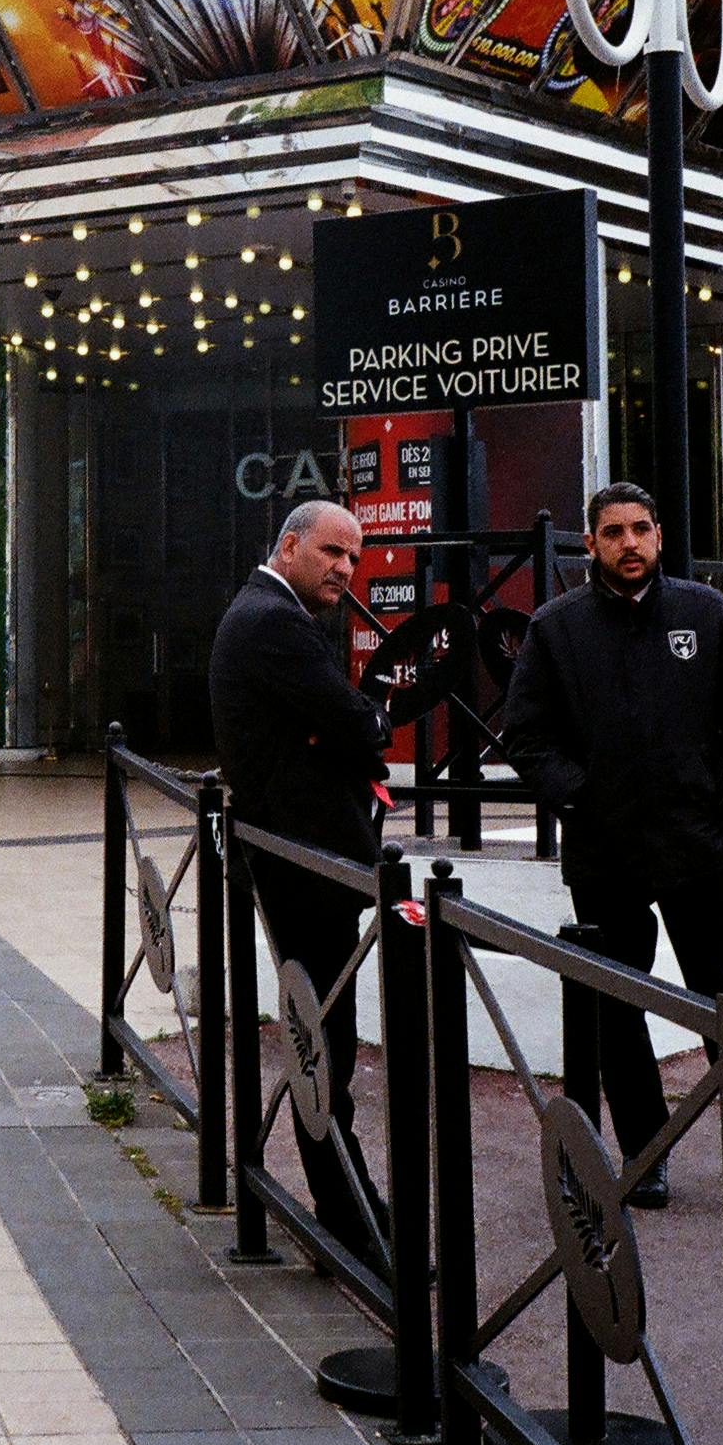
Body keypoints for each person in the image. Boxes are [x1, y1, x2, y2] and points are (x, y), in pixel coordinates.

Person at [500, 479, 723, 1228]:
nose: (629, 543)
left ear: (659, 535)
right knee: (618, 1011)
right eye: (613, 531)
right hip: (604, 853)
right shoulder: (556, 629)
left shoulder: (706, 614)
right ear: (589, 543)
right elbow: (524, 736)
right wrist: (581, 795)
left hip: (697, 848)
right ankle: (643, 1158)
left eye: (641, 529)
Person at [209, 500, 395, 1261]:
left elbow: (333, 721)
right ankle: (350, 1224)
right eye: (331, 552)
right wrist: (365, 723)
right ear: (288, 545)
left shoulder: (262, 613)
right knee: (325, 1050)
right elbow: (353, 722)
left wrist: (345, 723)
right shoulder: (275, 623)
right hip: (304, 867)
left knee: (320, 1045)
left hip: (298, 859)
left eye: (354, 557)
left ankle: (351, 1214)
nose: (345, 570)